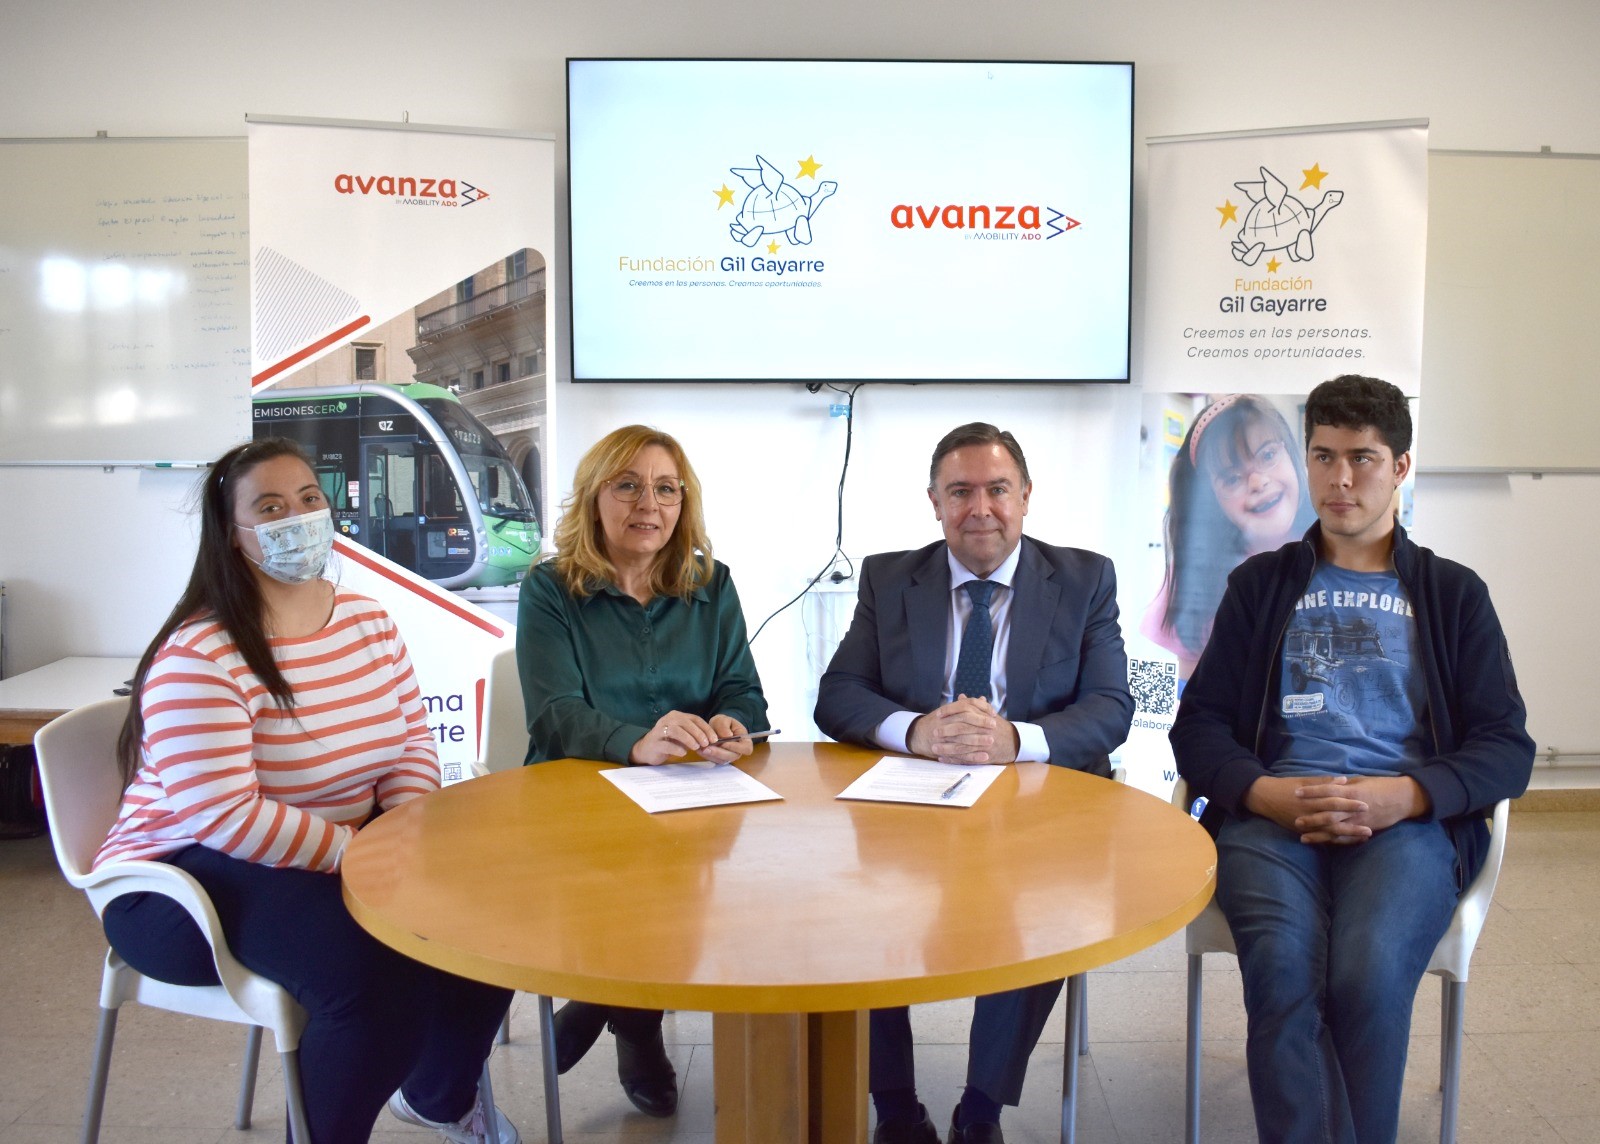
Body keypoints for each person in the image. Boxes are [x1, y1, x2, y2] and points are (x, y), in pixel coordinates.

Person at [94, 437, 516, 1144]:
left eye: (308, 499)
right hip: (178, 881)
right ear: (231, 534)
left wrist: (404, 828)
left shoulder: (367, 620)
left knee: (488, 920)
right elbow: (226, 816)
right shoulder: (199, 656)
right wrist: (361, 854)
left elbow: (411, 741)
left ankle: (438, 1100)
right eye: (269, 508)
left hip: (330, 852)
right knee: (378, 981)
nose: (296, 518)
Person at [1170, 375, 1534, 1144]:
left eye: (1361, 458)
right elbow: (1198, 727)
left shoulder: (1453, 594)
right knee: (1282, 971)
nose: (1340, 480)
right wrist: (1262, 794)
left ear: (1400, 467)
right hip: (1272, 822)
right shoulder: (1259, 586)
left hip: (1406, 827)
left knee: (1366, 974)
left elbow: (1506, 747)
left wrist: (1408, 796)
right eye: (1324, 456)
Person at [814, 422, 1133, 1144]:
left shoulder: (1085, 579)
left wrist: (1014, 740)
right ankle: (894, 1104)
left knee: (1038, 911)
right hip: (912, 807)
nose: (980, 509)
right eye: (960, 492)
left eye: (997, 490)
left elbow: (1111, 708)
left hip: (1038, 809)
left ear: (1026, 497)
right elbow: (838, 694)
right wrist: (917, 731)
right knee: (856, 911)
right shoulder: (890, 578)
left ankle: (981, 1109)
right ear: (934, 502)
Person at [515, 423, 769, 1119]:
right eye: (627, 485)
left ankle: (599, 1002)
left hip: (692, 794)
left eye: (665, 489)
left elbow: (744, 691)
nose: (648, 504)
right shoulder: (550, 588)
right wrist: (636, 742)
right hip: (576, 795)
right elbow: (554, 714)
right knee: (644, 884)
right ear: (593, 498)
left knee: (718, 880)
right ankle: (639, 1033)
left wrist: (731, 723)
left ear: (683, 503)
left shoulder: (712, 584)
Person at [1142, 393, 1316, 679]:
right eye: (1232, 478)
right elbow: (1190, 689)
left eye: (1268, 455)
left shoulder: (1334, 549)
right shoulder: (1199, 577)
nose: (1258, 482)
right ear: (1212, 500)